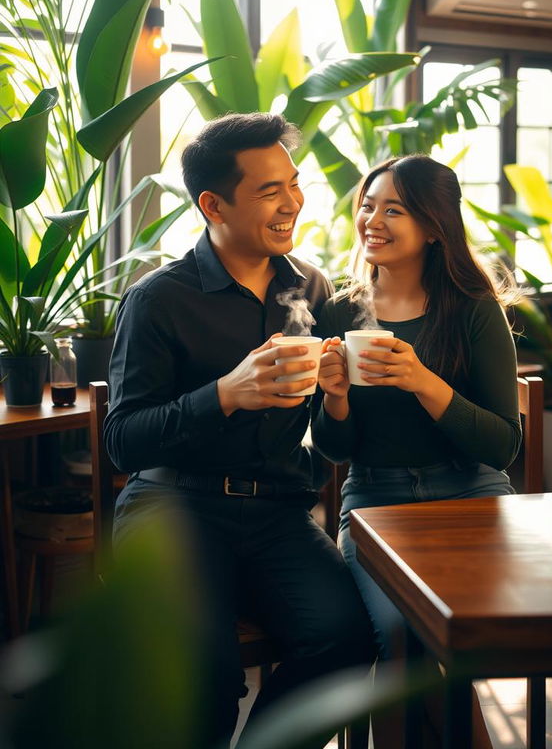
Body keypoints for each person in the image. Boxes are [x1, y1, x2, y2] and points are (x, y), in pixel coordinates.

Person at [105, 113, 373, 749]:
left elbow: (327, 437)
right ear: (212, 204)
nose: (292, 203)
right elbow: (123, 440)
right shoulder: (159, 299)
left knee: (349, 640)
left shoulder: (309, 284)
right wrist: (225, 394)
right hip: (173, 509)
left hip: (277, 512)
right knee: (205, 680)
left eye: (294, 183)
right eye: (269, 191)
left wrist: (336, 395)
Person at [311, 154, 521, 745]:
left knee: (439, 637)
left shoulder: (473, 309)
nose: (372, 219)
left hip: (470, 495)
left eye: (393, 209)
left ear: (433, 227)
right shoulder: (339, 311)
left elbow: (504, 445)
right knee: (401, 638)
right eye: (368, 205)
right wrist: (334, 399)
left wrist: (422, 380)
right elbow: (332, 449)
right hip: (377, 502)